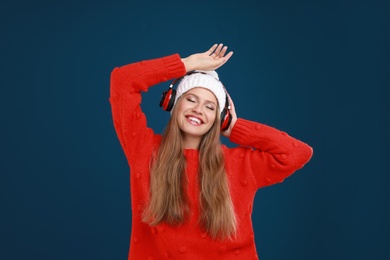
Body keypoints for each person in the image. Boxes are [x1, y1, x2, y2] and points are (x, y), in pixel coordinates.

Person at [109, 43, 313, 260]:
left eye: (209, 106)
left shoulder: (240, 163)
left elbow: (297, 153)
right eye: (191, 99)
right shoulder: (145, 150)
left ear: (220, 119)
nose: (198, 109)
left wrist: (235, 128)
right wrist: (187, 64)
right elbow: (123, 81)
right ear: (173, 103)